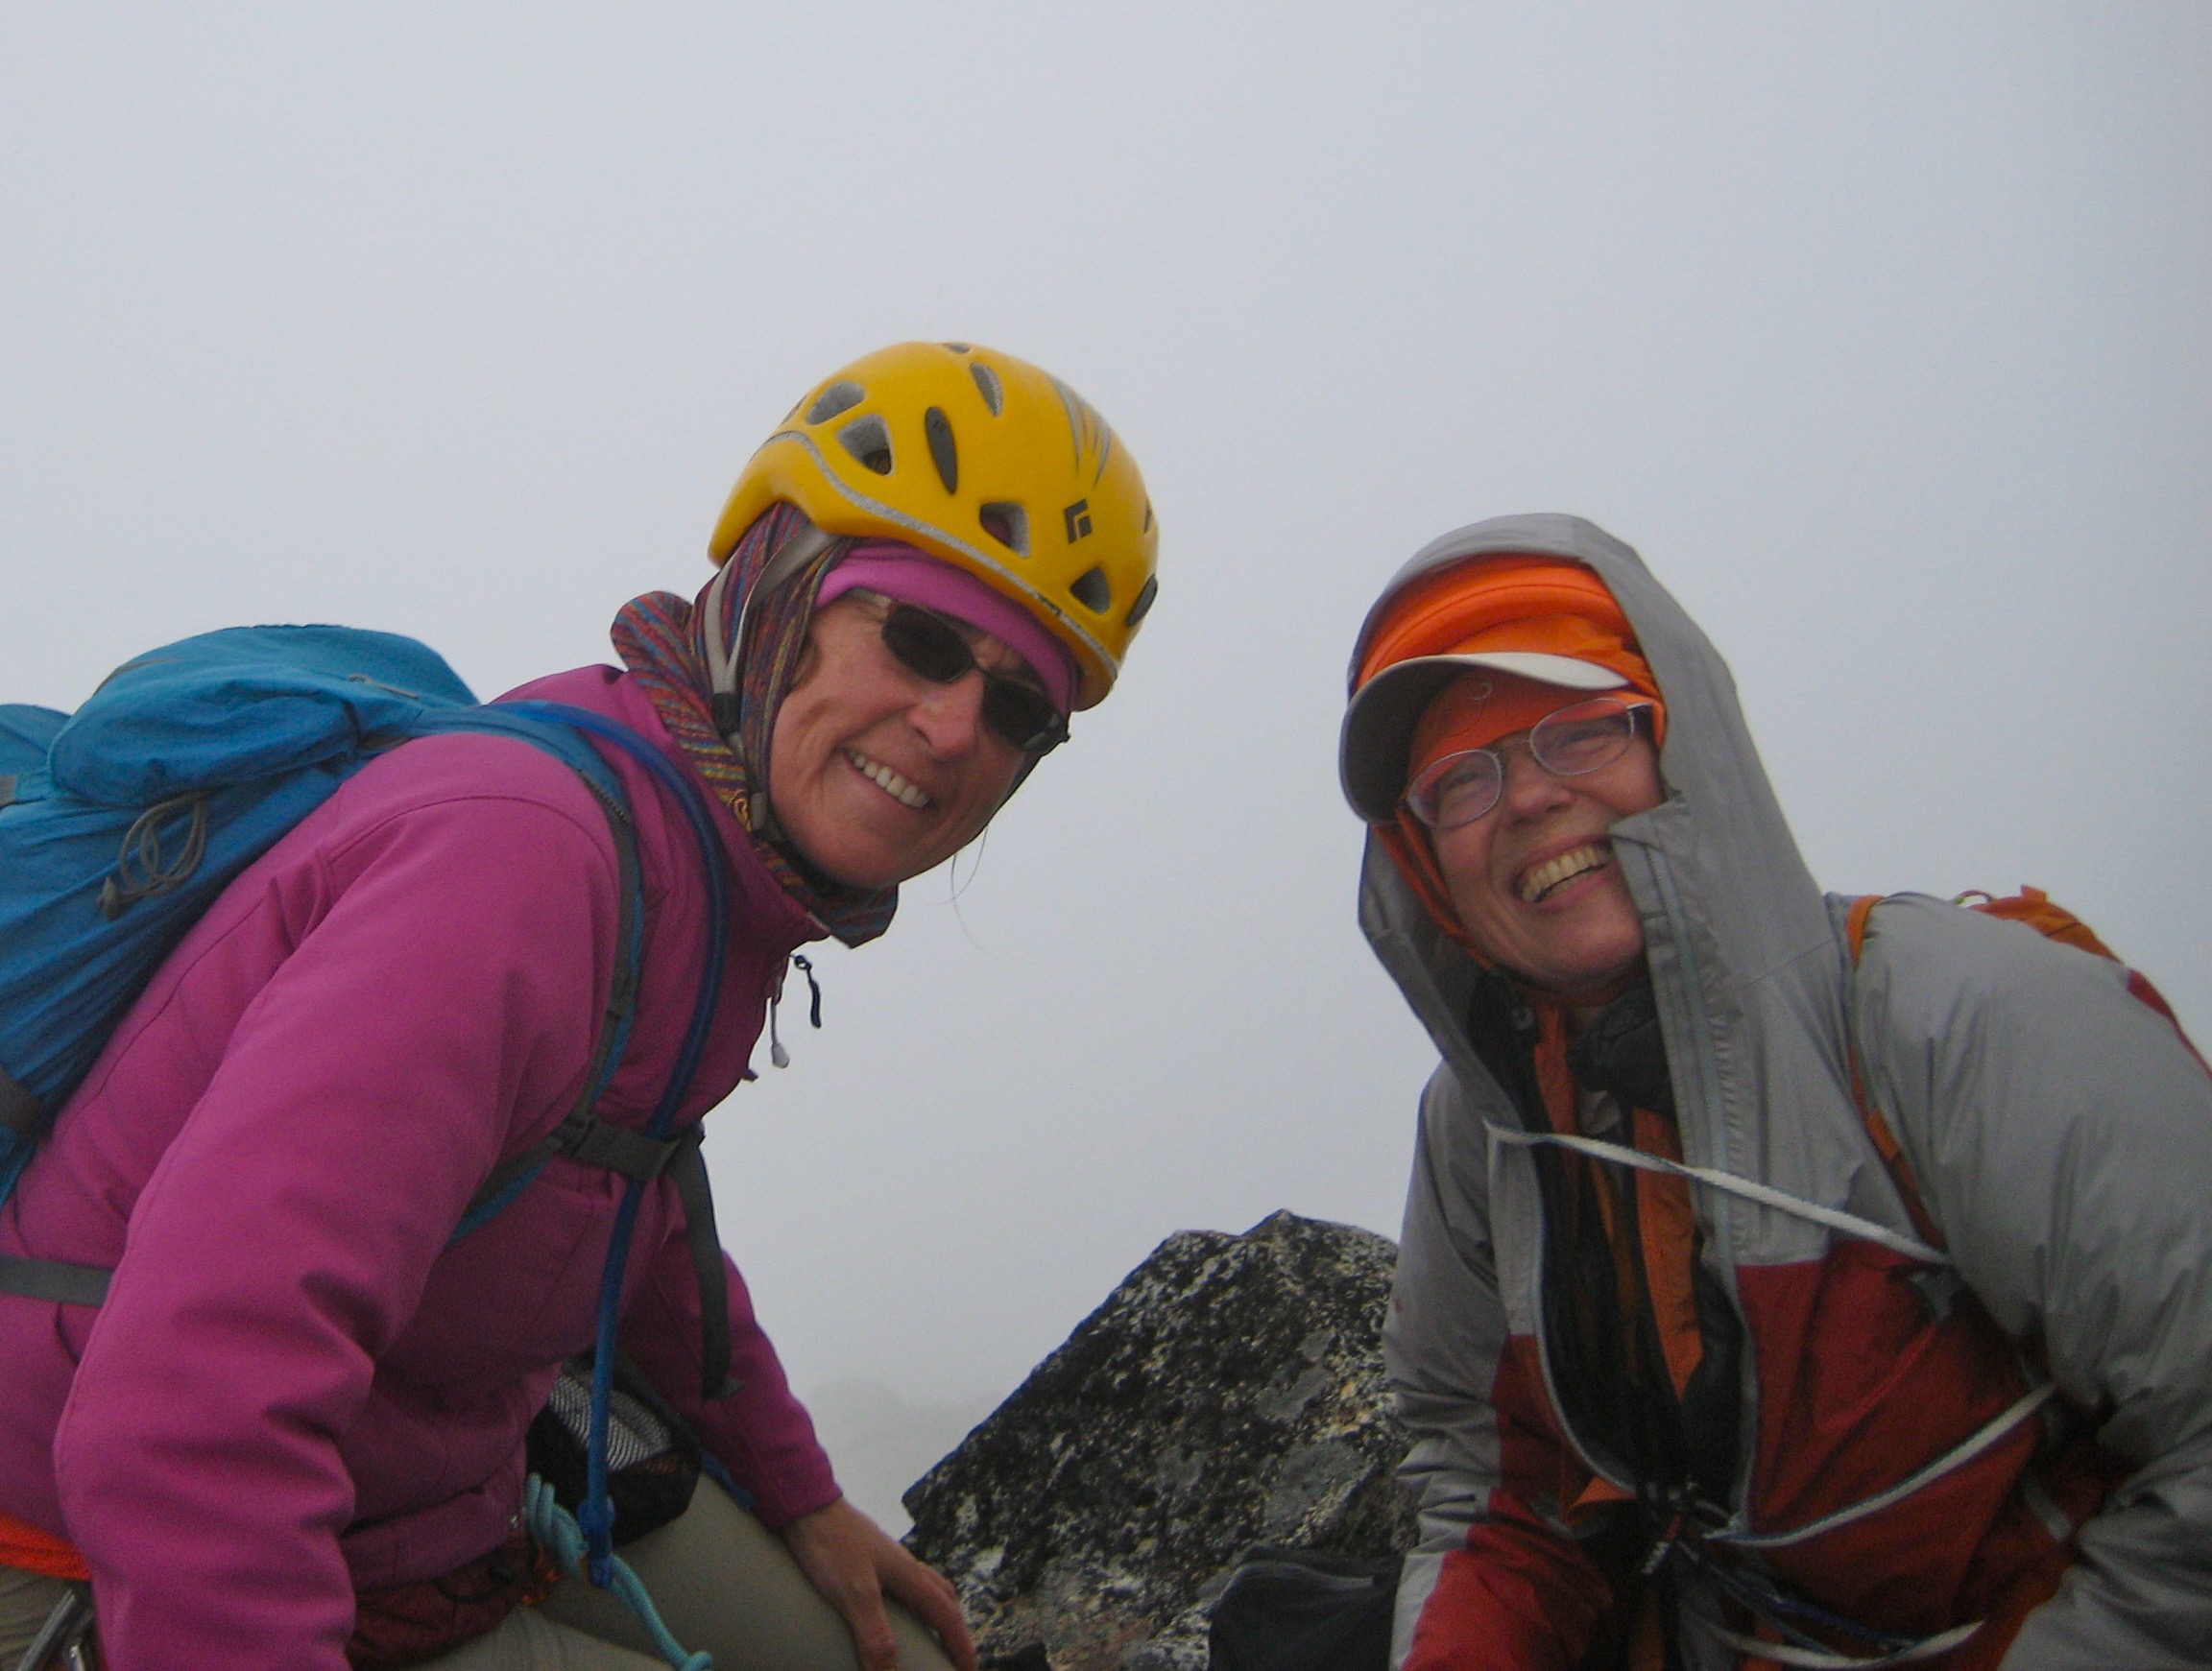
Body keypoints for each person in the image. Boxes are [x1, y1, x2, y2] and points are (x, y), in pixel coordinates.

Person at [0, 340, 1160, 1671]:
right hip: (102, 1552)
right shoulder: (525, 863)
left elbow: (636, 1206)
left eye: (1018, 708)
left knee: (875, 1652)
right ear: (777, 592)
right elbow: (181, 1414)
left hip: (432, 1493)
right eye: (917, 638)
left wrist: (803, 1496)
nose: (955, 730)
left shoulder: (712, 871)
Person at [1336, 514, 2211, 1669]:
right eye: (1461, 781)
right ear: (1424, 863)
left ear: (1682, 744)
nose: (1530, 798)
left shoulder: (1960, 1020)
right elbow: (1503, 1499)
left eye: (1581, 729)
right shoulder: (1485, 1135)